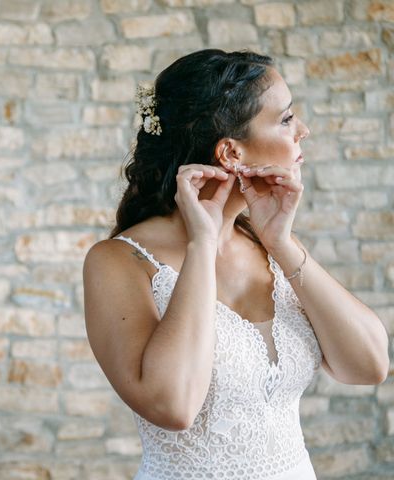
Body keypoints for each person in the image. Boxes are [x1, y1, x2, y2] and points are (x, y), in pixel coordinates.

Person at [82, 49, 389, 480]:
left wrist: (281, 243)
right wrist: (202, 246)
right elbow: (173, 405)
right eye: (286, 119)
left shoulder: (268, 245)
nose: (303, 130)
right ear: (230, 153)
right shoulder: (119, 261)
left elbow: (370, 365)